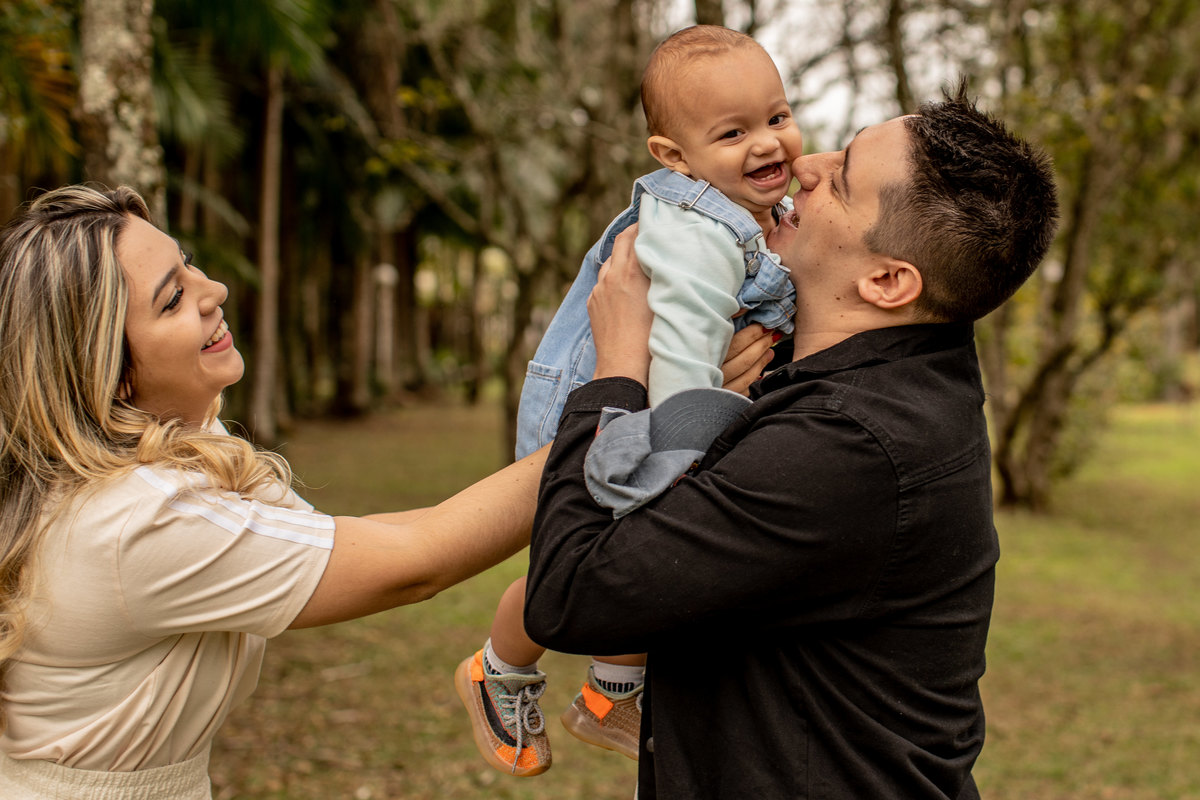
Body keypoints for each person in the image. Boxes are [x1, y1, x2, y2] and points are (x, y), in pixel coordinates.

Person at [524, 84, 1060, 799]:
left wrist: (618, 371)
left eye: (839, 181)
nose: (808, 163)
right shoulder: (894, 374)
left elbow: (570, 593)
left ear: (889, 280)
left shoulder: (851, 446)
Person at [0, 184, 549, 799]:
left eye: (188, 265)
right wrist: (607, 430)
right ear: (112, 370)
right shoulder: (136, 519)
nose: (215, 292)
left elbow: (386, 538)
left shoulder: (145, 463)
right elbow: (413, 565)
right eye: (173, 299)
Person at [457, 24, 803, 777]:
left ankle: (612, 693)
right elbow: (680, 350)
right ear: (674, 158)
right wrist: (681, 461)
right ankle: (499, 668)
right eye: (733, 132)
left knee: (651, 563)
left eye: (777, 118)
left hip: (659, 412)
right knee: (587, 561)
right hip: (631, 413)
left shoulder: (753, 215)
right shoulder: (697, 233)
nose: (769, 144)